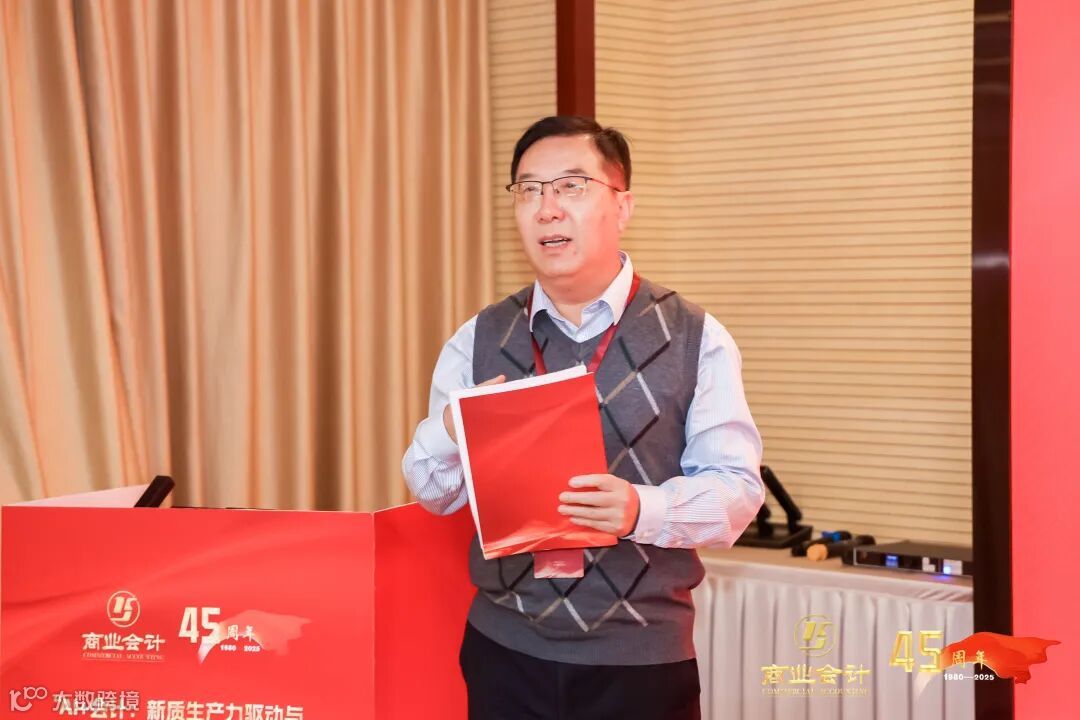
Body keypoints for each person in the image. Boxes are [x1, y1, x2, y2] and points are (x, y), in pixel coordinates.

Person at [402, 115, 764, 720]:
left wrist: (640, 510)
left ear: (622, 206)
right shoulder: (479, 337)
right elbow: (434, 495)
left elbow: (737, 492)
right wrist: (448, 430)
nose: (547, 209)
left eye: (571, 186)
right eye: (529, 190)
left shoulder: (696, 336)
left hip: (639, 664)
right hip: (503, 653)